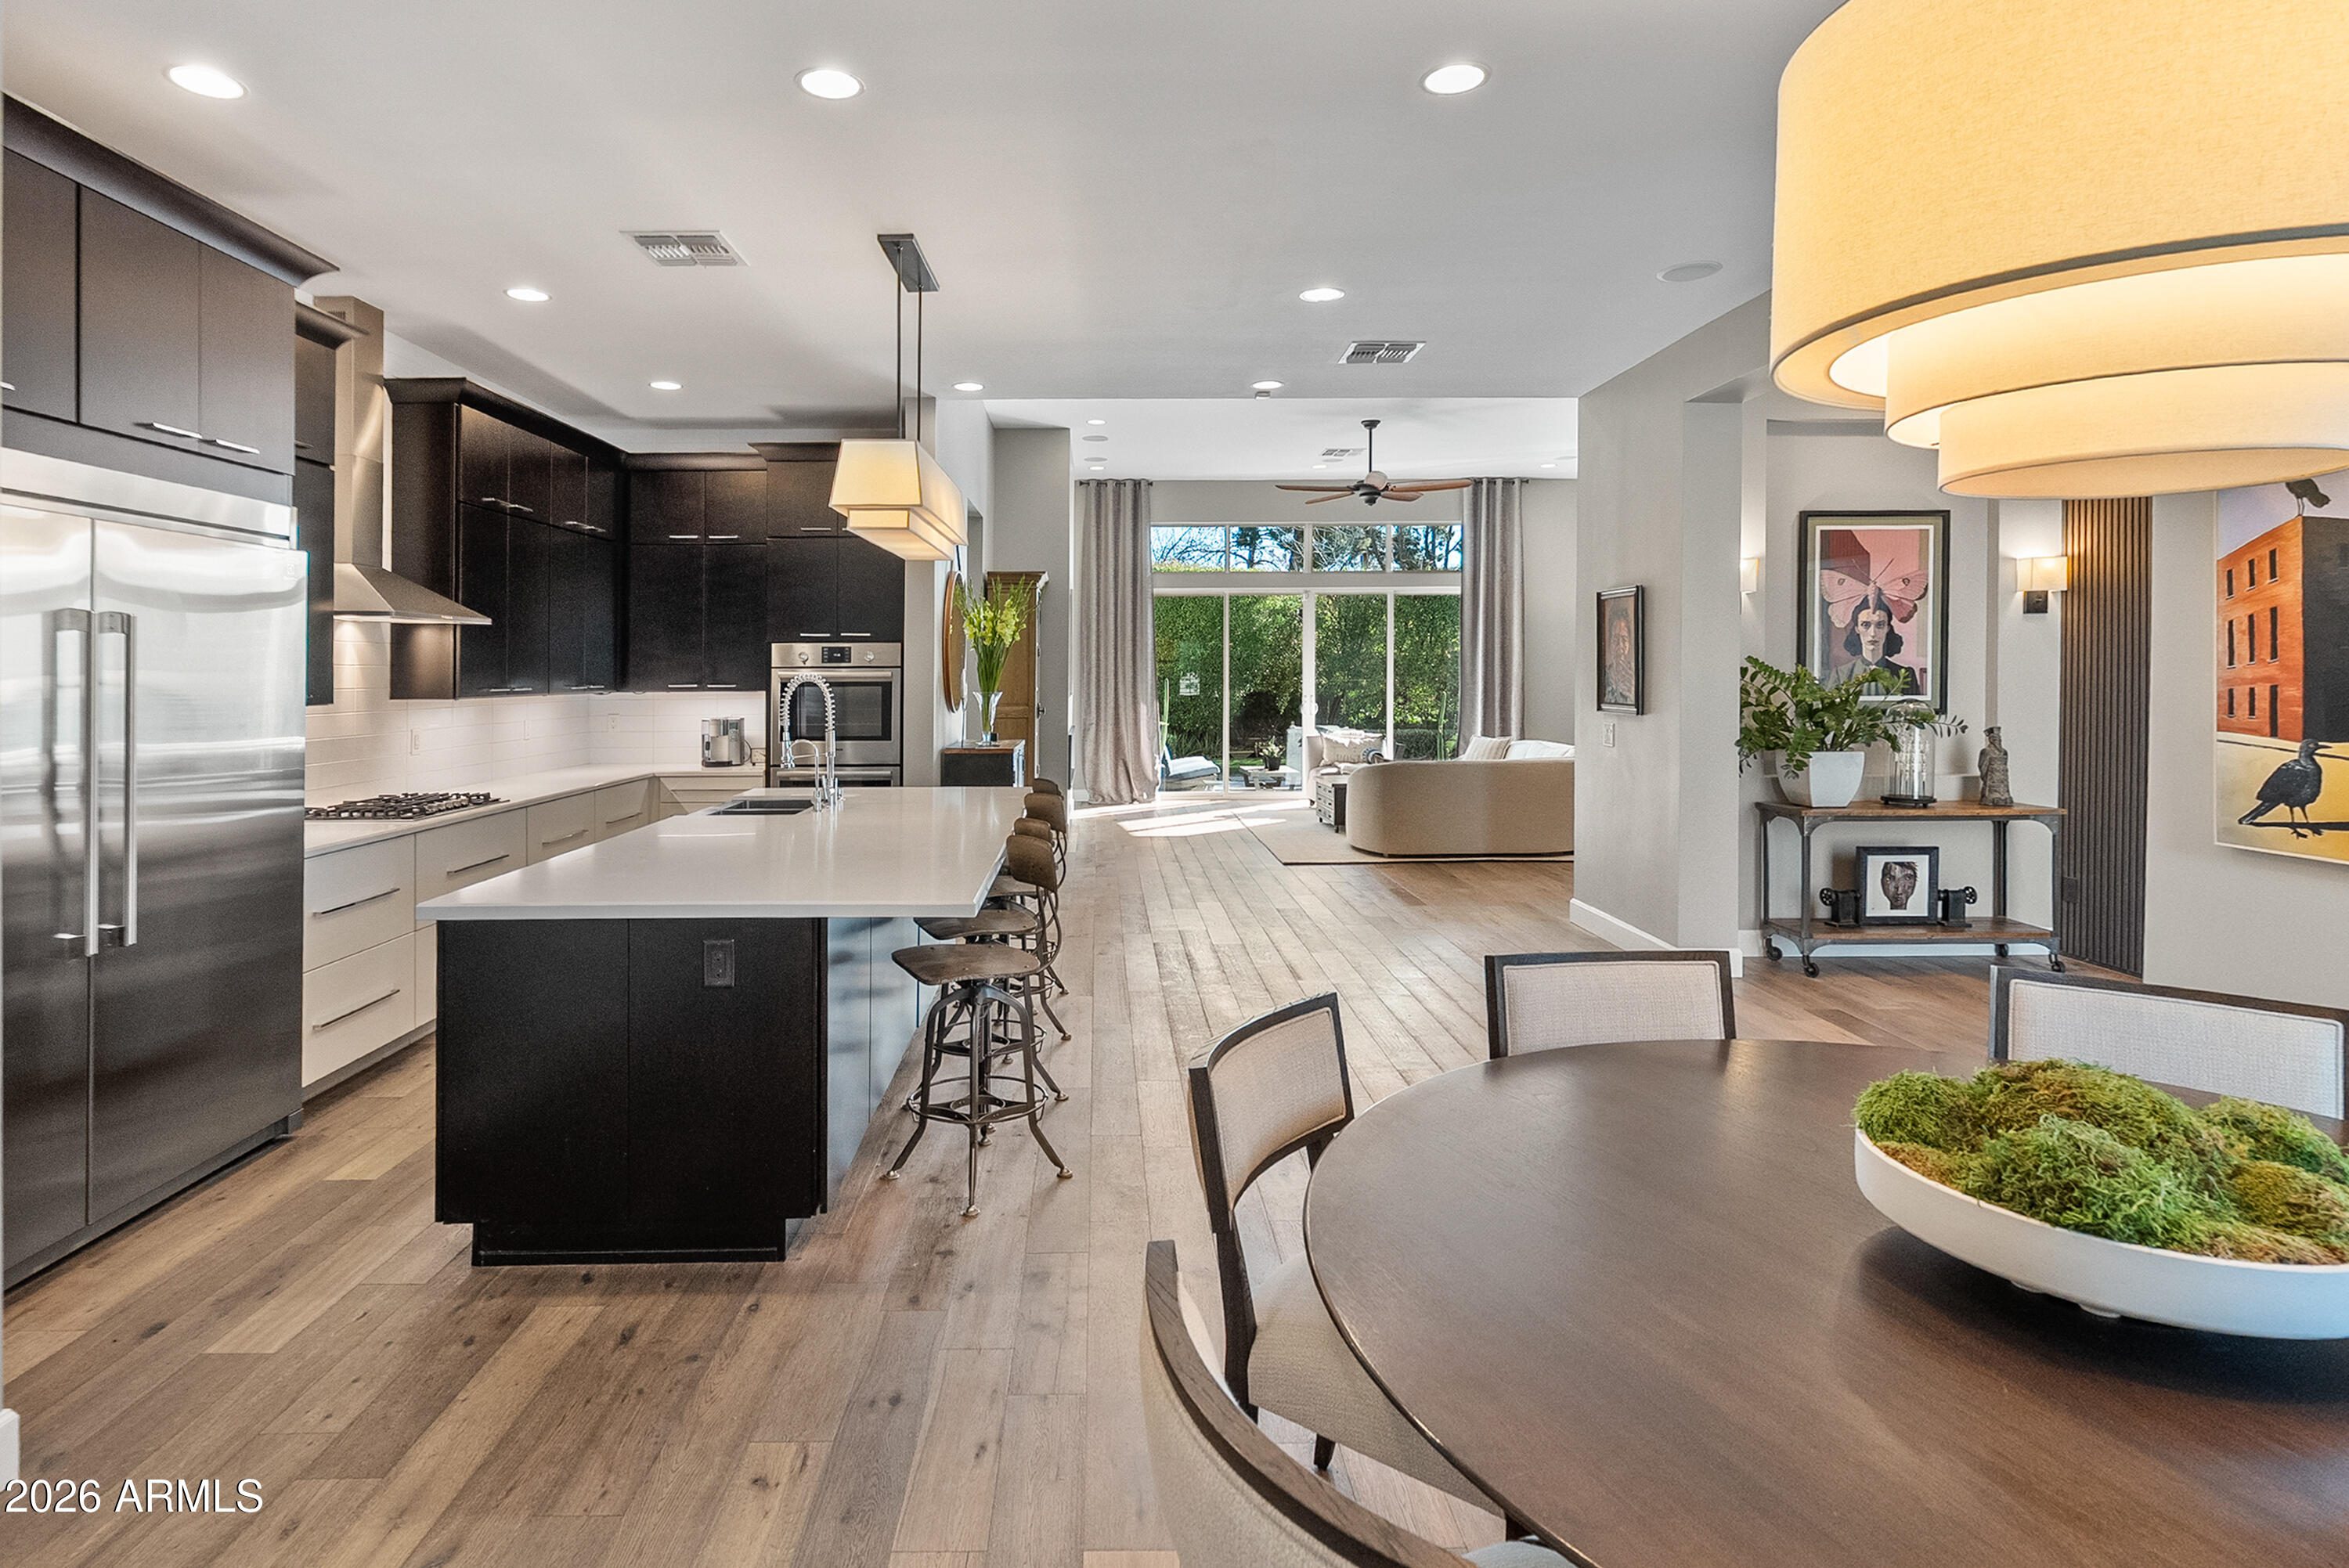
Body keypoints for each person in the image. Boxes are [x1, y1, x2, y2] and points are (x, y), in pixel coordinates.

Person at [1824, 586, 1923, 695]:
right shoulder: (1840, 675)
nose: (1873, 633)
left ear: (1887, 629)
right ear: (1857, 629)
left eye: (1880, 625)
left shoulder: (1905, 675)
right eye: (1865, 625)